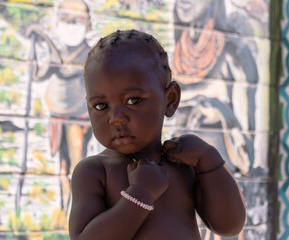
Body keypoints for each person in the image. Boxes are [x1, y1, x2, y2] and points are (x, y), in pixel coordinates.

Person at [68, 29, 246, 240]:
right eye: (101, 105)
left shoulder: (183, 164)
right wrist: (141, 194)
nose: (115, 118)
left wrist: (210, 161)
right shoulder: (95, 172)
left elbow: (229, 226)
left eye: (133, 101)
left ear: (170, 100)